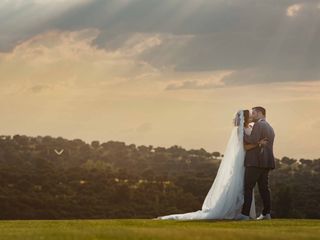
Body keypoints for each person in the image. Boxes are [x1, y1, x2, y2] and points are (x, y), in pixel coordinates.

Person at [153, 109, 268, 220]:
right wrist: (259, 144)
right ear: (246, 118)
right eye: (250, 115)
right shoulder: (240, 130)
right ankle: (236, 211)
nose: (252, 116)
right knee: (238, 184)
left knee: (245, 185)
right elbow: (245, 146)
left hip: (248, 160)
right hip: (242, 158)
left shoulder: (250, 127)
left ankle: (243, 211)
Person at [237, 106, 275, 221]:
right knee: (264, 189)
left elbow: (252, 140)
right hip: (267, 162)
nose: (251, 116)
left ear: (259, 113)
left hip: (255, 162)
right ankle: (267, 213)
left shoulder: (259, 125)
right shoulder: (270, 127)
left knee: (248, 188)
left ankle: (244, 214)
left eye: (253, 113)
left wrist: (241, 132)